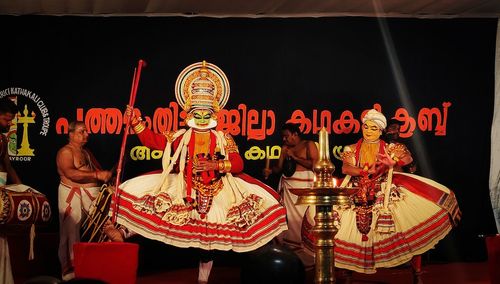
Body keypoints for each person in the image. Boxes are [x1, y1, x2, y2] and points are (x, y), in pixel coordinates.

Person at [108, 61, 287, 284]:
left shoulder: (223, 138)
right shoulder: (180, 136)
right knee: (155, 208)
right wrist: (135, 121)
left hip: (217, 190)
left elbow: (238, 164)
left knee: (210, 242)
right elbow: (152, 140)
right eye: (198, 115)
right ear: (190, 113)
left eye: (206, 115)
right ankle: (124, 232)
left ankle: (205, 280)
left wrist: (216, 166)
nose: (202, 119)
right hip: (183, 187)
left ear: (213, 114)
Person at [332, 109, 460, 283]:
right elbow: (346, 168)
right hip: (357, 192)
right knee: (345, 232)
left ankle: (417, 274)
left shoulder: (391, 147)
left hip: (387, 191)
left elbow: (407, 159)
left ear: (380, 131)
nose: (368, 131)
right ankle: (347, 275)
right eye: (366, 127)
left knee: (409, 226)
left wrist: (394, 161)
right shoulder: (352, 148)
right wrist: (365, 171)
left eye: (373, 128)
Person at [56, 121, 113, 281]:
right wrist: (96, 176)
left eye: (87, 131)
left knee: (105, 227)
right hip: (71, 195)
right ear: (71, 134)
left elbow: (97, 171)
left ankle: (98, 269)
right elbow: (70, 173)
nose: (87, 134)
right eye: (82, 131)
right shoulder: (65, 152)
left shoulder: (86, 152)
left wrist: (107, 178)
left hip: (91, 195)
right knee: (70, 233)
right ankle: (70, 275)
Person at [263, 122, 318, 269]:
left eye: (287, 136)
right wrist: (270, 171)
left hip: (305, 189)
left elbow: (316, 165)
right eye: (283, 137)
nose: (284, 140)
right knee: (290, 222)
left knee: (304, 221)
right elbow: (279, 168)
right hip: (288, 188)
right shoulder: (284, 149)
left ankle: (308, 258)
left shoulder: (309, 144)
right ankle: (291, 259)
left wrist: (294, 156)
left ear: (295, 135)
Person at [0, 97, 21, 284]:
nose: (9, 124)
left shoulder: (3, 139)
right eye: (6, 120)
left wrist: (22, 188)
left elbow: (8, 166)